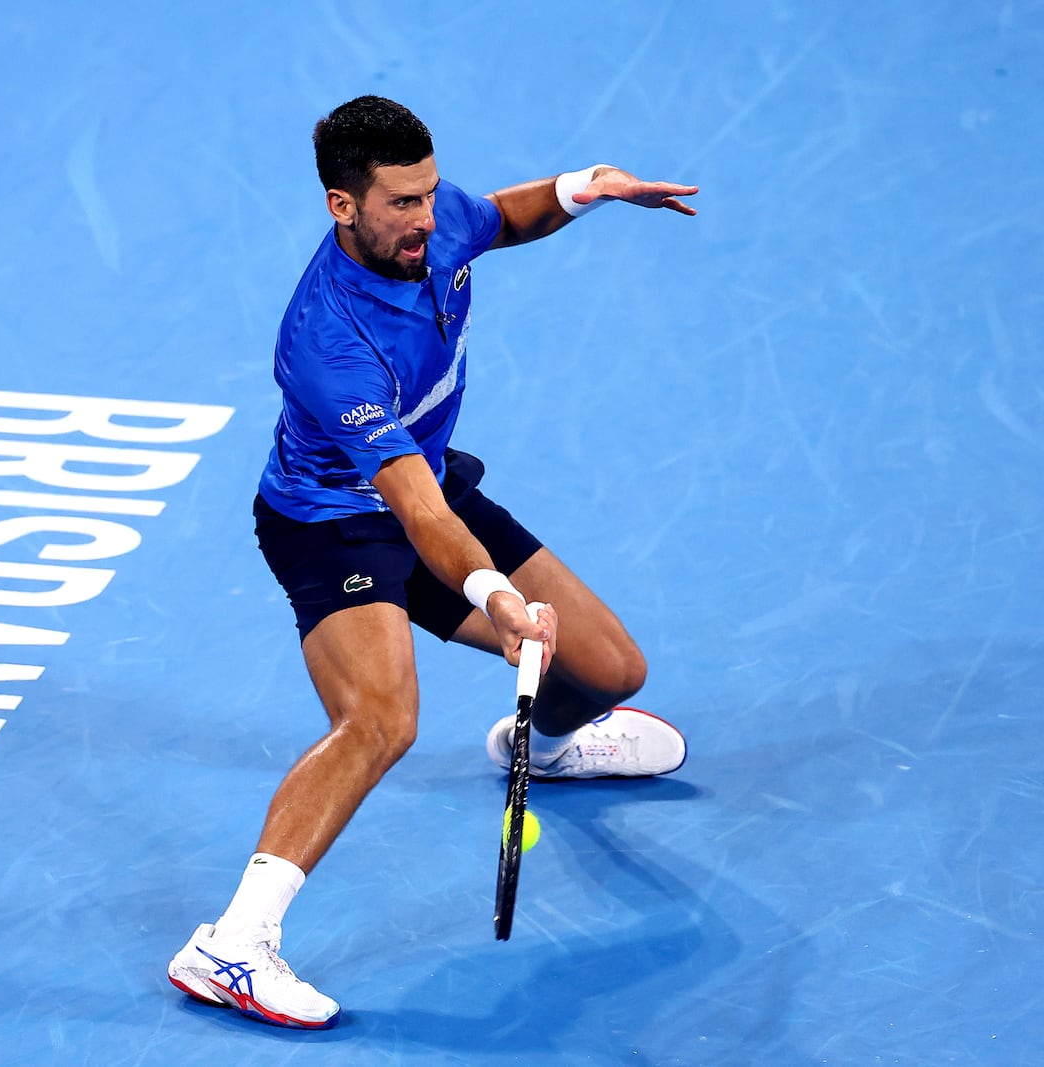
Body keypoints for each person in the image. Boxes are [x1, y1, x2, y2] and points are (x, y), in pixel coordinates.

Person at [167, 95, 699, 1030]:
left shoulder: (433, 214)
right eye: (402, 203)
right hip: (334, 523)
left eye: (427, 193)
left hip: (433, 494)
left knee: (609, 671)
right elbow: (411, 508)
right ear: (343, 207)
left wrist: (588, 190)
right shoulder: (327, 341)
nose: (426, 216)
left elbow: (501, 217)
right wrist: (494, 597)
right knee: (379, 718)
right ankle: (232, 946)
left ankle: (553, 744)